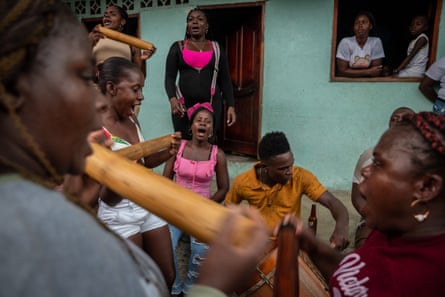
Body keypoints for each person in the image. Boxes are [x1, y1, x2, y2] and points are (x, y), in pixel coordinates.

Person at [0, 1, 270, 296]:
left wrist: (82, 206)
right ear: (17, 92)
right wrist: (213, 284)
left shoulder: (50, 204)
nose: (99, 101)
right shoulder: (22, 228)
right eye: (82, 77)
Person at [280, 111, 445, 297]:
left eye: (379, 163)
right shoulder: (390, 230)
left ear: (426, 187)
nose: (366, 170)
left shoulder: (432, 275)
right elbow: (357, 280)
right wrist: (314, 247)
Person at [96, 56, 182, 290]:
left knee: (167, 275)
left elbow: (142, 162)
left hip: (146, 201)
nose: (141, 96)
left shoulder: (132, 117)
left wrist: (166, 152)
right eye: (136, 89)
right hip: (118, 212)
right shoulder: (95, 130)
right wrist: (120, 173)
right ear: (112, 88)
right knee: (132, 283)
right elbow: (104, 195)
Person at [224, 131, 350, 250]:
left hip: (290, 243)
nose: (290, 171)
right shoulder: (243, 182)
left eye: (291, 164)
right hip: (258, 244)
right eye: (283, 168)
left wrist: (341, 228)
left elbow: (333, 203)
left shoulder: (300, 177)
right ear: (265, 167)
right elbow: (227, 211)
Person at [163, 102, 230, 297]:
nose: (203, 124)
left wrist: (205, 206)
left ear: (211, 129)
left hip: (201, 210)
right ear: (191, 125)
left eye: (207, 122)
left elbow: (224, 188)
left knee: (201, 248)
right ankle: (175, 289)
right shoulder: (177, 147)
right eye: (199, 120)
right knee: (165, 242)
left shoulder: (218, 154)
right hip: (175, 208)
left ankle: (189, 289)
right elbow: (166, 180)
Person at [165, 8, 236, 142]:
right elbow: (169, 77)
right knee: (183, 144)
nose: (195, 22)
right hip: (182, 106)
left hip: (212, 104)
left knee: (209, 143)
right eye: (191, 20)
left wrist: (231, 106)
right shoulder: (178, 47)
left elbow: (226, 80)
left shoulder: (217, 48)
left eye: (200, 19)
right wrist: (172, 99)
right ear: (187, 27)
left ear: (207, 27)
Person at [351, 106, 415, 248]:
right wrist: (373, 218)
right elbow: (357, 196)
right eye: (394, 118)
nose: (398, 121)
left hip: (410, 222)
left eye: (404, 118)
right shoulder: (370, 155)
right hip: (375, 219)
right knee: (366, 249)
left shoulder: (421, 159)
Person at [89, 5, 155, 70]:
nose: (107, 16)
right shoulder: (93, 37)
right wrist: (88, 44)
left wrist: (143, 59)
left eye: (113, 14)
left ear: (122, 22)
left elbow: (140, 75)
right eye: (105, 14)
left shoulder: (132, 44)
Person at [336, 10, 387, 77]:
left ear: (370, 26)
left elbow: (376, 71)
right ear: (354, 27)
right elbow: (342, 71)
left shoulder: (375, 42)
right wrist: (368, 72)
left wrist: (351, 72)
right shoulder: (346, 42)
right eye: (357, 23)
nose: (360, 25)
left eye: (364, 22)